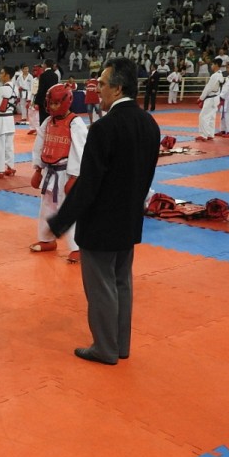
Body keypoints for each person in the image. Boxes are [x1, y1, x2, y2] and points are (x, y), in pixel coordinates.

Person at [47, 57, 161, 365]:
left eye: (102, 84)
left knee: (101, 288)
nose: (97, 89)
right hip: (129, 219)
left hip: (100, 223)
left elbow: (88, 184)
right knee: (122, 283)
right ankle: (120, 345)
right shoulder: (149, 124)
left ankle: (105, 348)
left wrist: (61, 221)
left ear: (118, 88)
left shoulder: (104, 128)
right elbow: (146, 175)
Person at [30, 83, 88, 263]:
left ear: (66, 102)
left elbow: (80, 151)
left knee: (69, 209)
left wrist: (75, 177)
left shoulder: (75, 123)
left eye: (56, 103)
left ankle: (77, 247)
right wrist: (38, 169)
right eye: (50, 103)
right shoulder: (48, 122)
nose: (53, 107)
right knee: (46, 207)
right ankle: (47, 239)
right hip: (49, 171)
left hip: (66, 173)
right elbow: (39, 145)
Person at [0, 66, 18, 179]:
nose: (0, 75)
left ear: (7, 75)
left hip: (0, 119)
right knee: (9, 145)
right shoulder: (15, 88)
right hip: (10, 119)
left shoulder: (0, 89)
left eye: (2, 73)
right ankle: (10, 167)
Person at [196, 58, 223, 142]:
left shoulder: (215, 76)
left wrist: (201, 98)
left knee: (203, 116)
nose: (211, 66)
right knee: (211, 117)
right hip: (216, 98)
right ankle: (210, 134)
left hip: (211, 98)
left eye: (212, 64)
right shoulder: (220, 75)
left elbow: (208, 88)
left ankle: (203, 135)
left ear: (216, 65)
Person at [34, 59, 59, 125]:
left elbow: (41, 89)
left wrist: (36, 101)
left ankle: (44, 130)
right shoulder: (55, 75)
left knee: (43, 119)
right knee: (52, 117)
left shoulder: (43, 75)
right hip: (52, 100)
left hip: (44, 100)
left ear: (45, 65)